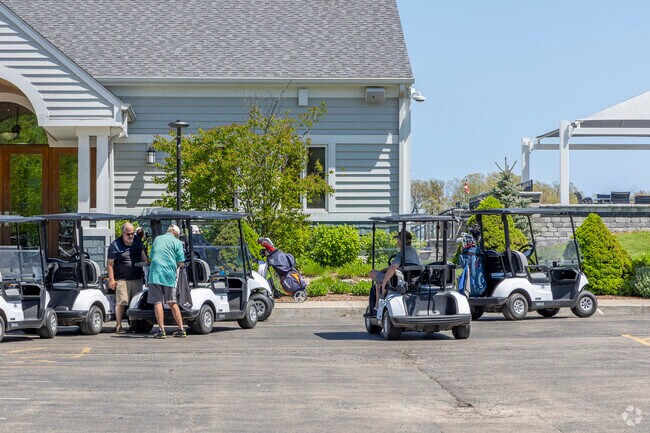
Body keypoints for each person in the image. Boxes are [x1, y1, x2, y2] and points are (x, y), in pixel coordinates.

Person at [147, 224, 187, 339]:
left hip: (155, 274)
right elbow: (181, 261)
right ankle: (181, 329)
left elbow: (151, 256)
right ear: (176, 234)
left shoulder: (157, 239)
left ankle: (161, 331)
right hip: (169, 275)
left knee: (158, 302)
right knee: (172, 302)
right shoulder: (177, 243)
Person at [107, 222, 147, 334]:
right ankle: (118, 325)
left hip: (137, 277)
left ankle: (134, 325)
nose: (131, 236)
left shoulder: (137, 241)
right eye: (128, 234)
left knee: (136, 303)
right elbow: (110, 263)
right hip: (122, 279)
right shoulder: (115, 245)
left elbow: (142, 254)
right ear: (123, 233)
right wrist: (111, 279)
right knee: (122, 301)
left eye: (132, 233)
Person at [368, 230, 421, 312]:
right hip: (411, 279)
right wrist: (385, 270)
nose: (397, 242)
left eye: (398, 240)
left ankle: (377, 306)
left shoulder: (401, 253)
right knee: (381, 276)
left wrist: (384, 282)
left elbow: (393, 267)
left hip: (398, 280)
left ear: (400, 241)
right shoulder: (413, 252)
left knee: (373, 274)